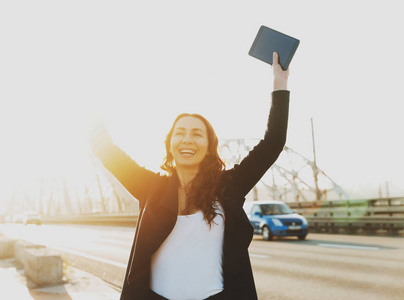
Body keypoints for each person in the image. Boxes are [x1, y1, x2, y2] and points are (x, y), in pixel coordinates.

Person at [89, 52, 290, 300]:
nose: (187, 139)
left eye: (197, 134)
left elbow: (273, 143)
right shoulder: (150, 187)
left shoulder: (229, 186)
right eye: (180, 133)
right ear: (170, 144)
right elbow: (105, 150)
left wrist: (279, 84)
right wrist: (89, 91)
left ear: (208, 147)